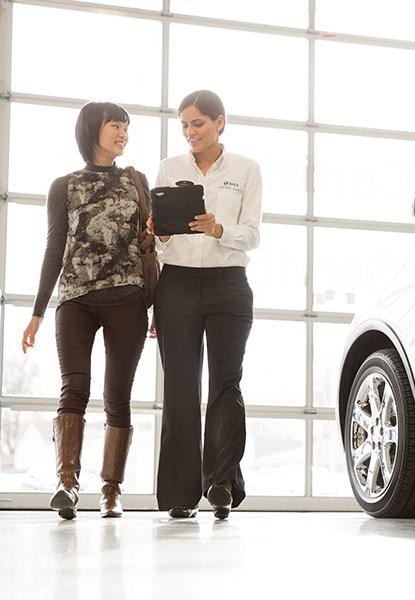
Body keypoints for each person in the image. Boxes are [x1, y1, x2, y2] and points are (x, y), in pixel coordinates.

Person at [21, 102, 150, 520]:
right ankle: (67, 484)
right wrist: (38, 311)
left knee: (118, 395)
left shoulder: (137, 181)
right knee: (74, 387)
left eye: (126, 125)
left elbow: (153, 247)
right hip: (75, 299)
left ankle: (111, 490)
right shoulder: (64, 185)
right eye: (116, 124)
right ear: (93, 128)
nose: (123, 132)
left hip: (128, 298)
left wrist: (159, 304)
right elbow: (54, 248)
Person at [149, 90, 262, 520]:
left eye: (197, 123)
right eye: (184, 125)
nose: (190, 132)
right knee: (179, 387)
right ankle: (180, 494)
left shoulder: (246, 170)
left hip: (228, 285)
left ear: (220, 122)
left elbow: (252, 234)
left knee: (225, 386)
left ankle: (221, 482)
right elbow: (161, 242)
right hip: (175, 284)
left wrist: (219, 229)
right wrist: (157, 232)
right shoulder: (168, 168)